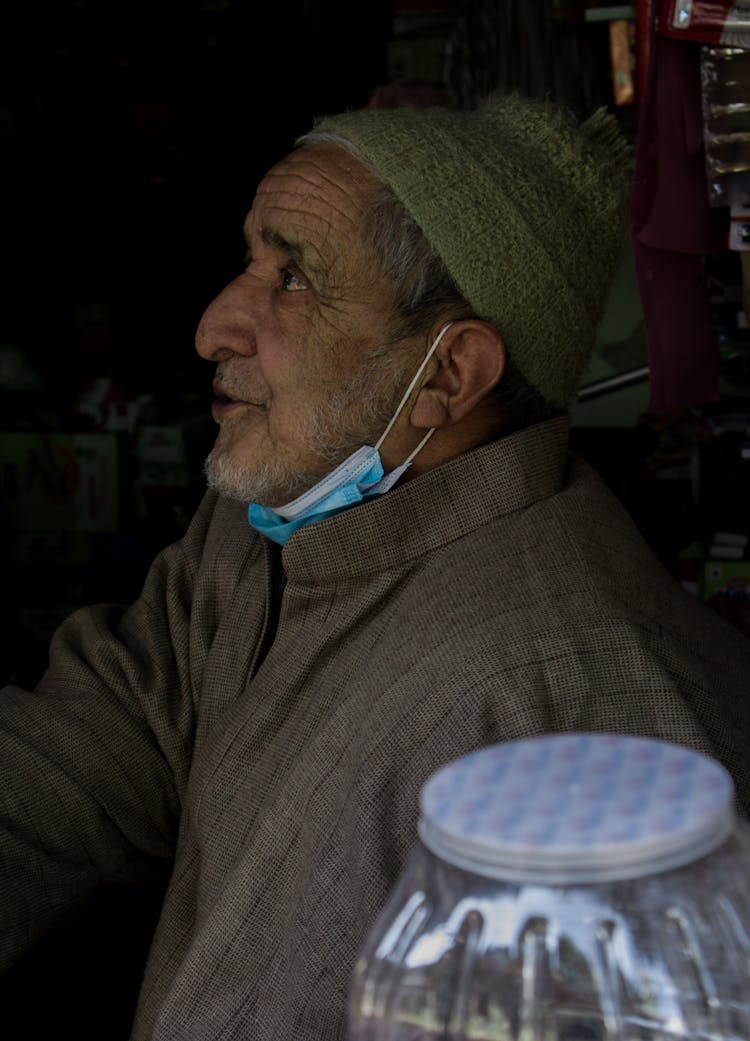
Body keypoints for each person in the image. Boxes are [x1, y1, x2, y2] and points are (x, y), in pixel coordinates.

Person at [3, 92, 750, 1041]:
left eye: (293, 280)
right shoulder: (265, 529)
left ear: (447, 375)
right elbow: (94, 749)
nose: (214, 326)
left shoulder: (580, 715)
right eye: (250, 261)